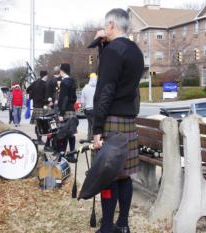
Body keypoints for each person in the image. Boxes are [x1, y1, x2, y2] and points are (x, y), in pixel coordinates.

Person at [92, 9, 144, 233]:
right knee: (124, 177)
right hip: (128, 120)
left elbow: (106, 89)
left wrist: (97, 128)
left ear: (111, 25)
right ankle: (123, 224)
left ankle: (105, 227)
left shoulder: (113, 51)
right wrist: (103, 46)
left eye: (106, 26)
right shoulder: (135, 51)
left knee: (108, 177)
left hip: (111, 120)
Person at [57, 63, 77, 153]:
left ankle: (62, 154)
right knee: (71, 133)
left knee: (63, 133)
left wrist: (61, 113)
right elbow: (74, 98)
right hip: (71, 110)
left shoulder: (64, 82)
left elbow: (64, 98)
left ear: (62, 71)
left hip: (65, 111)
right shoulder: (72, 81)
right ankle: (72, 152)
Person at [27, 70, 49, 145]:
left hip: (36, 106)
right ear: (45, 76)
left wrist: (32, 95)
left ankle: (38, 138)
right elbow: (47, 96)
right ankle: (39, 139)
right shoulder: (45, 84)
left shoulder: (34, 83)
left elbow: (27, 90)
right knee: (42, 124)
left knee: (37, 124)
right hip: (42, 106)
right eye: (47, 76)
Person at [81, 72, 98, 141]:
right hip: (95, 108)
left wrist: (84, 107)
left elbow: (82, 101)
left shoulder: (85, 88)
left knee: (90, 123)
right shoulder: (98, 88)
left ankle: (89, 136)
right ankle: (94, 137)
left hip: (87, 109)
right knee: (95, 123)